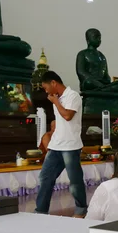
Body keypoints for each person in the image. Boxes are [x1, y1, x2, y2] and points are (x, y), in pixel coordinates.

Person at [35, 71, 87, 217]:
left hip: (70, 145)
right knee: (45, 177)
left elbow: (67, 116)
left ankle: (81, 209)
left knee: (75, 181)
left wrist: (56, 102)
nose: (46, 91)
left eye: (46, 87)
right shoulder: (56, 98)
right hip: (56, 145)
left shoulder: (73, 96)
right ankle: (41, 210)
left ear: (53, 83)